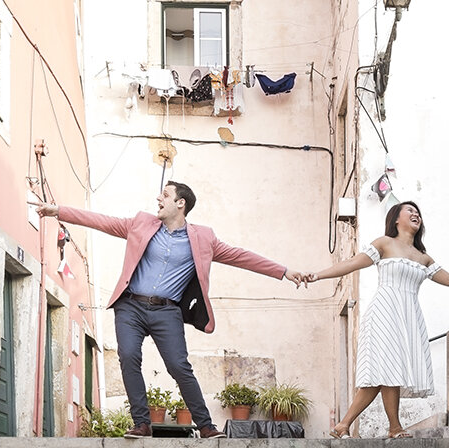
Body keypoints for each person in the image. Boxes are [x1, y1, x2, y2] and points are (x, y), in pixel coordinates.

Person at [34, 182, 308, 438]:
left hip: (167, 312)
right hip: (130, 306)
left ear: (181, 203)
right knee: (128, 356)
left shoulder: (203, 239)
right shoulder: (142, 224)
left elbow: (240, 256)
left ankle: (205, 425)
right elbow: (103, 221)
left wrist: (283, 271)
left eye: (165, 195)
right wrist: (59, 211)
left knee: (179, 366)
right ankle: (141, 423)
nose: (158, 199)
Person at [307, 200, 449, 438]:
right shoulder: (384, 243)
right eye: (410, 211)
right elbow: (351, 264)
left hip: (408, 316)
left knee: (390, 371)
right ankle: (390, 427)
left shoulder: (423, 257)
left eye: (418, 212)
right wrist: (317, 276)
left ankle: (348, 426)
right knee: (385, 369)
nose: (416, 214)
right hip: (384, 312)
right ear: (396, 219)